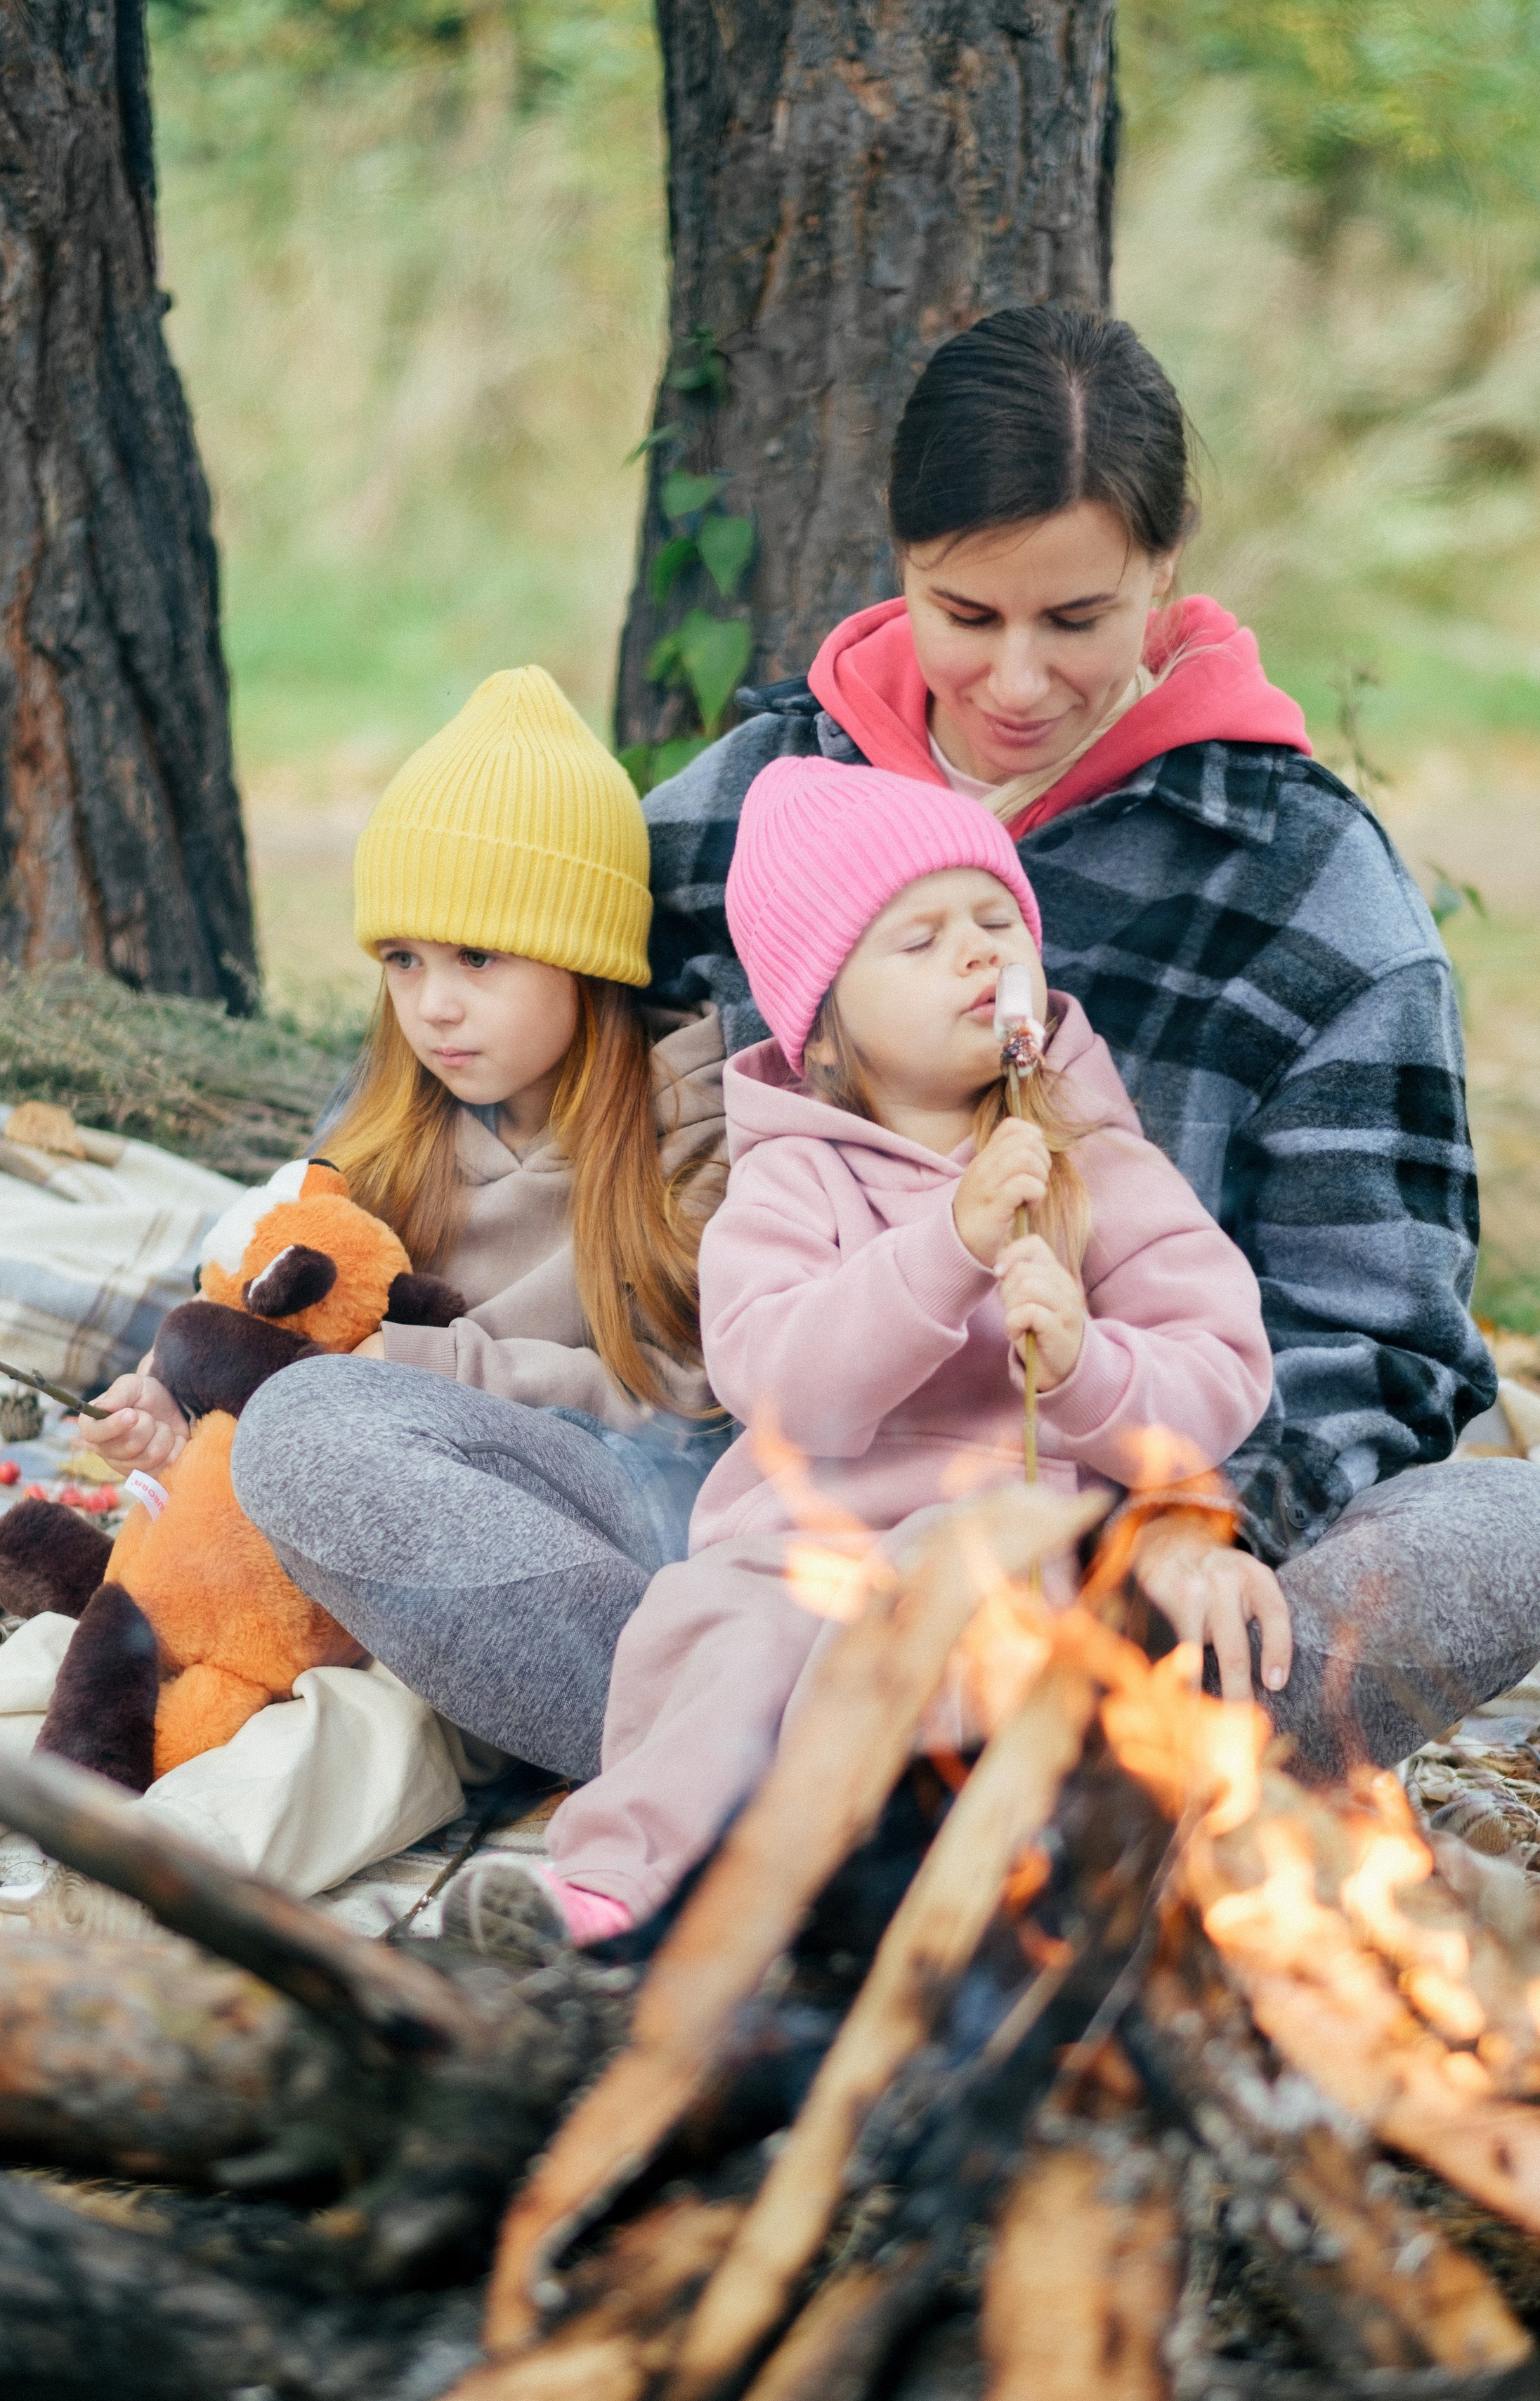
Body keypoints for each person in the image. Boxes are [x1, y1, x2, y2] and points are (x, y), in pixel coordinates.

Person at [639, 302, 1540, 1776]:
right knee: (343, 1439)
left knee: (1514, 1532)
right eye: (964, 616)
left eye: (1075, 621)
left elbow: (1382, 1331)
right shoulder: (764, 795)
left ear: (1165, 563)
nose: (1015, 683)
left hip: (1145, 1535)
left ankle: (942, 1756)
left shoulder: (1301, 876)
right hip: (773, 1529)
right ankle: (812, 1727)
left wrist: (1197, 1527)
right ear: (898, 562)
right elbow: (492, 1052)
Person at [443, 757, 1274, 1953]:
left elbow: (1222, 1377)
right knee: (721, 1635)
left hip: (1021, 1558)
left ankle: (868, 1885)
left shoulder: (1098, 1160)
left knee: (950, 1584)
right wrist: (946, 1248)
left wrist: (1088, 1370)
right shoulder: (791, 1176)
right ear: (823, 1029)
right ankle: (614, 1892)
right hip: (799, 1545)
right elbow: (780, 1391)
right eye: (923, 941)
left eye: (998, 923)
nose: (983, 957)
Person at [105, 665, 726, 1789]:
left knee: (304, 1437)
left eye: (478, 957)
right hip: (401, 1514)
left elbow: (696, 1400)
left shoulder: (688, 1119)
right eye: (404, 960)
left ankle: (665, 1731)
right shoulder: (393, 1125)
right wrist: (176, 1397)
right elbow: (285, 1297)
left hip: (609, 1515)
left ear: (586, 958)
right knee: (219, 1552)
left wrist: (434, 1368)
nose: (433, 1004)